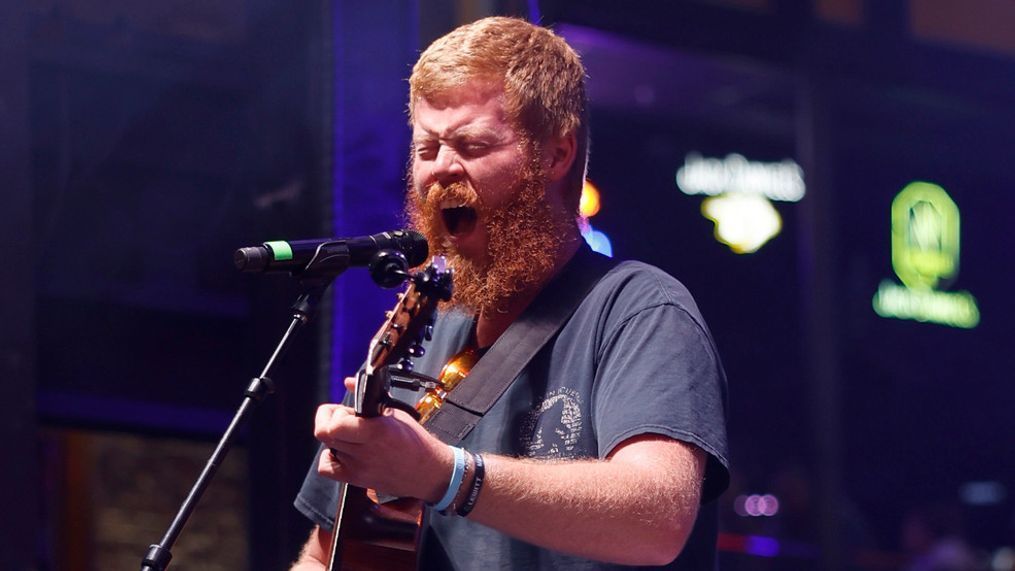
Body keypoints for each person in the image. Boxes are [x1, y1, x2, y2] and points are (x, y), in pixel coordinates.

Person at [291, 16, 729, 570]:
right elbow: (329, 554)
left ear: (556, 155)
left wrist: (445, 475)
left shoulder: (641, 310)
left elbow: (656, 521)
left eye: (471, 144)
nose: (443, 168)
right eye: (427, 149)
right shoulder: (419, 329)